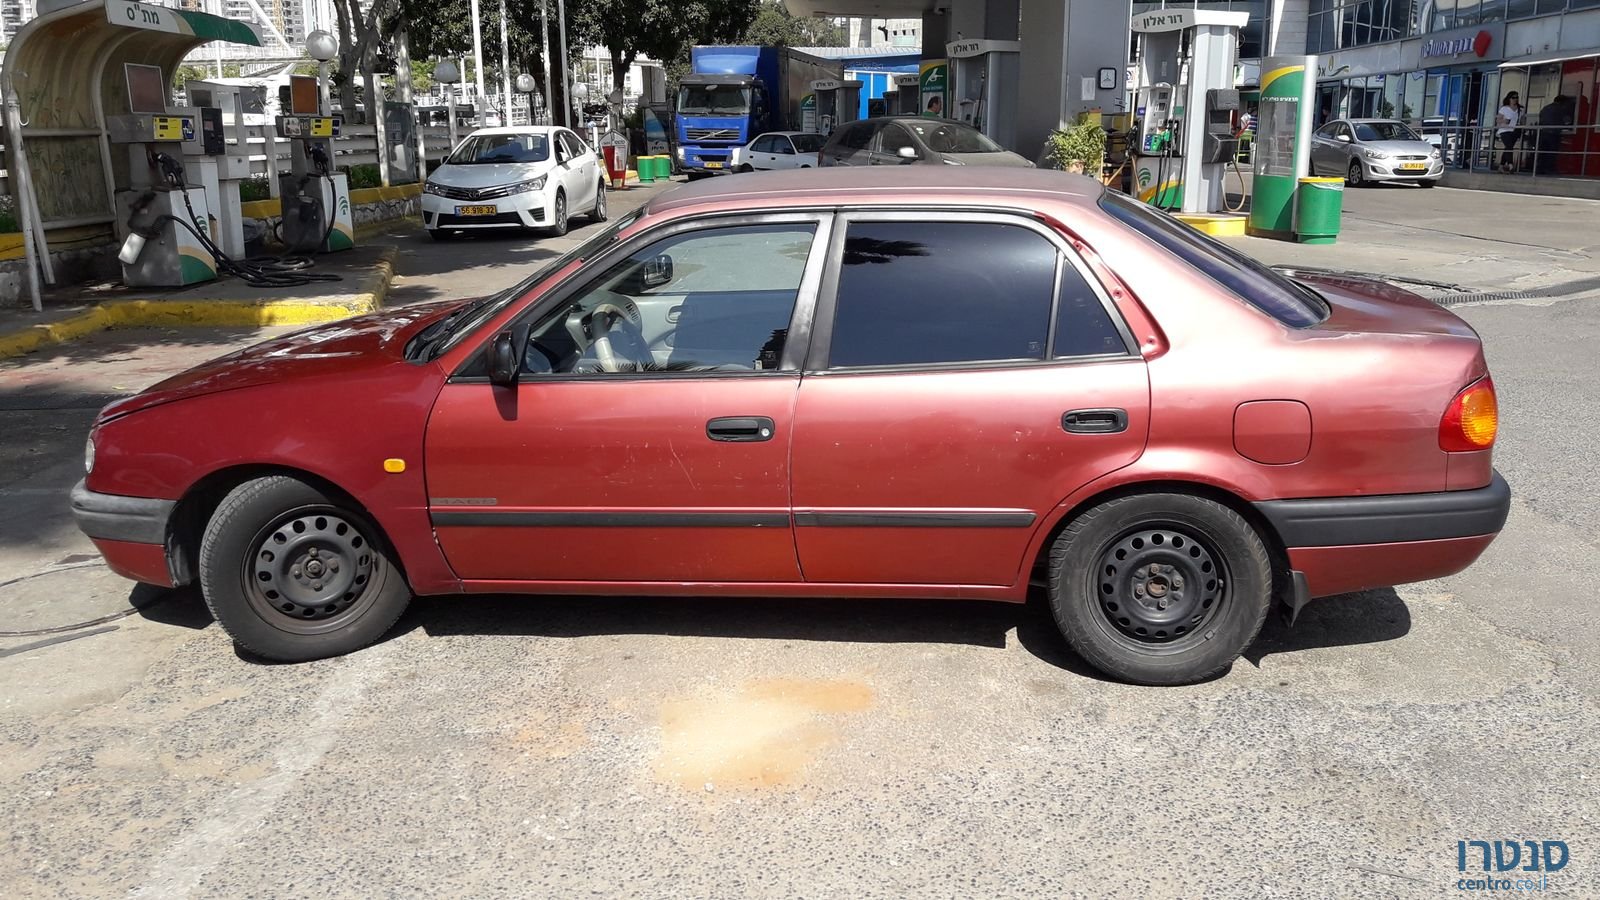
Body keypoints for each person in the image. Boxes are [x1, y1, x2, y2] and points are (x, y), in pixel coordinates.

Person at [1537, 94, 1575, 175]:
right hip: (1554, 134)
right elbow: (1567, 121)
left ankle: (1539, 169)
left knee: (1542, 151)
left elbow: (1540, 118)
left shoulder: (1545, 108)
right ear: (1562, 102)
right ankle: (1549, 169)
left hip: (1543, 133)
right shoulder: (1561, 109)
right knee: (1552, 152)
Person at [1496, 91, 1522, 173]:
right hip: (1504, 130)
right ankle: (1511, 165)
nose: (1515, 99)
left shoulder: (1520, 109)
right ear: (1509, 99)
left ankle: (1501, 166)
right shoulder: (1504, 108)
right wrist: (1505, 121)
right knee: (1509, 146)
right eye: (1513, 98)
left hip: (1514, 130)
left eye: (1516, 97)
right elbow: (1498, 120)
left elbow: (1523, 120)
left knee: (1508, 147)